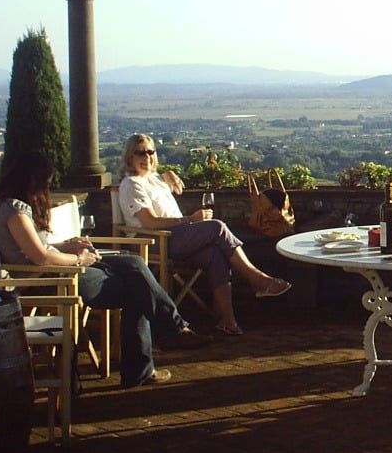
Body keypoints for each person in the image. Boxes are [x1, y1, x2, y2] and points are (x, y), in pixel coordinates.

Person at [0, 152, 210, 387]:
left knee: (133, 264)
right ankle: (161, 345)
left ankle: (171, 331)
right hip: (49, 277)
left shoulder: (9, 205)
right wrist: (78, 259)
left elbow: (36, 247)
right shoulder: (14, 210)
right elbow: (39, 257)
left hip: (55, 268)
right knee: (139, 290)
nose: (47, 189)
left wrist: (68, 245)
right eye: (47, 183)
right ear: (32, 179)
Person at [117, 134, 291, 336]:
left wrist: (169, 174)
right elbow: (150, 222)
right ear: (130, 157)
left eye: (150, 152)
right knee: (216, 227)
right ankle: (257, 279)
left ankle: (227, 321)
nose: (146, 157)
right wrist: (191, 219)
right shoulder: (131, 184)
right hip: (155, 240)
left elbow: (162, 183)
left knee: (214, 256)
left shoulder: (153, 180)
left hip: (176, 237)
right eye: (140, 152)